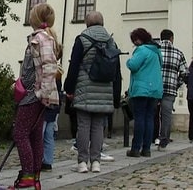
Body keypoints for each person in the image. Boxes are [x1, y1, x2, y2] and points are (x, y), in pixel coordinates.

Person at [64, 11, 122, 173]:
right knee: (98, 127)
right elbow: (116, 71)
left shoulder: (82, 39)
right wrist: (115, 96)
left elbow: (73, 66)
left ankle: (82, 163)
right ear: (102, 23)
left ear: (87, 23)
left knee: (83, 126)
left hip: (84, 88)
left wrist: (69, 88)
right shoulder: (111, 41)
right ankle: (96, 162)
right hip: (105, 90)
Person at [11, 2, 61, 189]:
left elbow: (49, 67)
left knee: (20, 133)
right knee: (34, 135)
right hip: (34, 93)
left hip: (33, 95)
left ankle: (28, 174)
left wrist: (42, 93)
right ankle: (34, 175)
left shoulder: (40, 38)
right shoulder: (44, 38)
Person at [126, 28, 163, 157]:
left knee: (140, 118)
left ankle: (135, 148)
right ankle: (146, 149)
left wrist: (128, 61)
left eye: (135, 39)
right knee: (149, 118)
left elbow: (133, 65)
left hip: (141, 89)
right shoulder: (156, 52)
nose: (134, 43)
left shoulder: (142, 50)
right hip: (155, 90)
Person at [156, 29, 188, 150]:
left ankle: (151, 138)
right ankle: (164, 140)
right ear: (171, 38)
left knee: (152, 114)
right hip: (170, 89)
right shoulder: (178, 53)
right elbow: (185, 73)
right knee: (166, 115)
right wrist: (176, 83)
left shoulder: (155, 51)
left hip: (154, 87)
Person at [42, 78, 62, 171]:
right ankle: (47, 161)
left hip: (44, 105)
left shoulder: (46, 71)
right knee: (49, 135)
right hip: (54, 105)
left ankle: (38, 160)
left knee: (40, 135)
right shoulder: (57, 74)